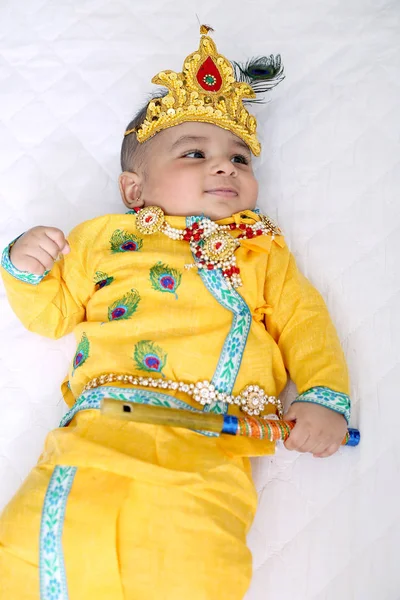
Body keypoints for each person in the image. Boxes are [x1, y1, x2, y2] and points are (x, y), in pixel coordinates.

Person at [0, 25, 351, 600]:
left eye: (239, 158)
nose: (225, 167)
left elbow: (307, 323)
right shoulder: (101, 239)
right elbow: (52, 316)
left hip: (213, 446)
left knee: (195, 566)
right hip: (101, 428)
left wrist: (321, 396)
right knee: (31, 552)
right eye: (195, 153)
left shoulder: (262, 251)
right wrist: (26, 267)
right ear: (134, 190)